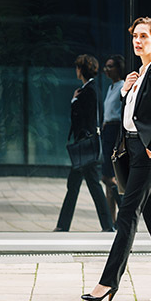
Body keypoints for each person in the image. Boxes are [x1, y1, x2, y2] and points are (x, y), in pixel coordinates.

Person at [81, 17, 151, 301]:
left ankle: (107, 283)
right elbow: (134, 117)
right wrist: (127, 92)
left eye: (144, 36)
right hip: (133, 151)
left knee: (127, 214)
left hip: (149, 154)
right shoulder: (139, 74)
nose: (137, 41)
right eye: (135, 36)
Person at [54, 55, 115, 232]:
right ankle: (64, 226)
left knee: (88, 186)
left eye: (77, 68)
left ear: (81, 70)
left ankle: (107, 225)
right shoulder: (93, 88)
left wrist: (74, 102)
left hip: (85, 147)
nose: (76, 71)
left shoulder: (87, 91)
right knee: (75, 186)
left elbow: (80, 118)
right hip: (87, 146)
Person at [101, 55, 126, 222]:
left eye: (111, 66)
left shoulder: (123, 87)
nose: (107, 69)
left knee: (108, 177)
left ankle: (124, 211)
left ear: (119, 68)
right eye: (106, 66)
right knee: (108, 180)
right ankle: (111, 220)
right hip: (107, 129)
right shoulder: (111, 87)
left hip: (115, 130)